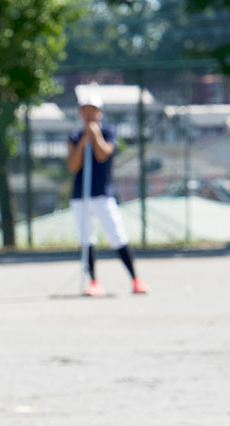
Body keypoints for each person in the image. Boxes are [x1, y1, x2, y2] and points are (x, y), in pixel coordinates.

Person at [67, 91, 149, 296]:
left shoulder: (109, 132)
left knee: (117, 235)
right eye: (85, 110)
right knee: (86, 239)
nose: (88, 114)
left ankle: (136, 280)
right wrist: (83, 141)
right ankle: (94, 282)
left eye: (92, 109)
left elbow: (103, 154)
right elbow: (73, 165)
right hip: (80, 196)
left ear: (99, 112)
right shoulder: (75, 137)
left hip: (103, 194)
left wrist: (94, 135)